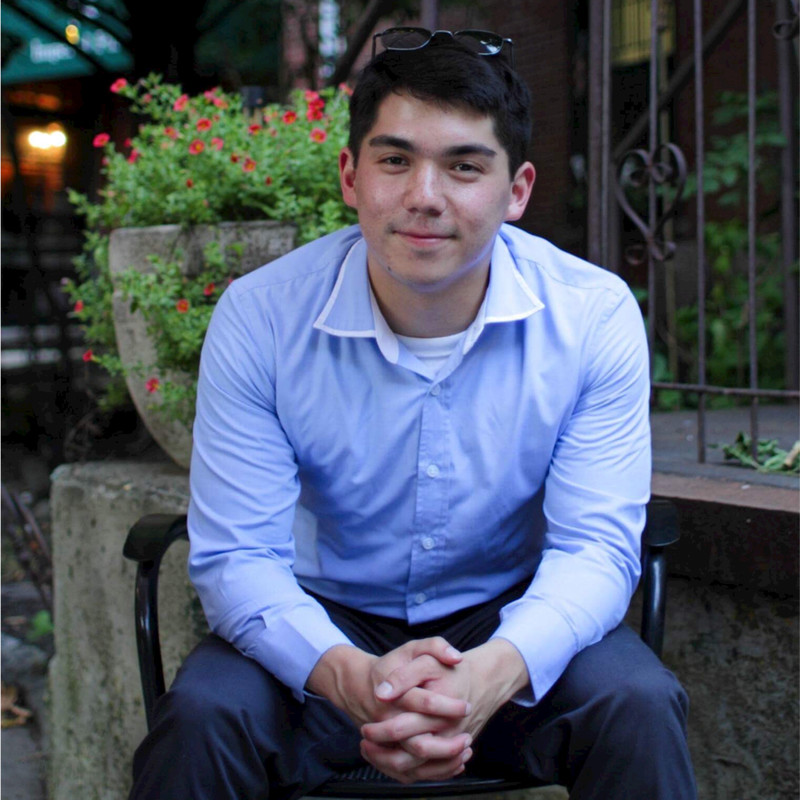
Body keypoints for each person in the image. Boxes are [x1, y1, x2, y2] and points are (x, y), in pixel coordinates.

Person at [129, 28, 696, 800]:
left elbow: (594, 547)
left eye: (464, 166)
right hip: (321, 624)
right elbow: (240, 556)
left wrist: (490, 674)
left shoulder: (591, 316)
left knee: (637, 704)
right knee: (203, 717)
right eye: (395, 160)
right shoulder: (261, 317)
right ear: (350, 176)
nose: (424, 195)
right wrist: (354, 677)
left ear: (517, 190)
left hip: (510, 619)